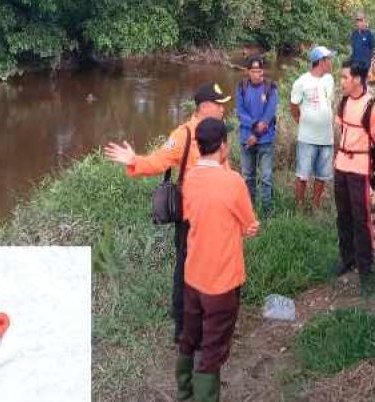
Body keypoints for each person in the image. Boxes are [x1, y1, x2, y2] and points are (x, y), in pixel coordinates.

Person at [103, 83, 230, 345]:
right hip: (190, 217)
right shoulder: (183, 135)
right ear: (205, 107)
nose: (223, 108)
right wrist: (135, 160)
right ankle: (183, 329)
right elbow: (158, 160)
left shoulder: (219, 132)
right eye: (219, 104)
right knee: (186, 270)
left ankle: (208, 319)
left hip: (215, 216)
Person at [177, 117, 259, 402]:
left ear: (199, 146)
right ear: (223, 146)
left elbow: (190, 216)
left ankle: (184, 393)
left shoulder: (190, 179)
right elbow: (249, 225)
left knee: (189, 338)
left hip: (192, 277)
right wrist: (247, 226)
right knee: (212, 350)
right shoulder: (233, 181)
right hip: (222, 281)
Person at [333, 60, 375, 290]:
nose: (342, 82)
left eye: (345, 77)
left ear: (357, 79)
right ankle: (347, 259)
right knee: (343, 215)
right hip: (341, 166)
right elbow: (340, 131)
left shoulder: (373, 107)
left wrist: (372, 170)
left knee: (361, 219)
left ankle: (366, 268)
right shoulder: (344, 102)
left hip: (360, 168)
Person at [291, 46, 336, 210]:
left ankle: (315, 205)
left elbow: (329, 102)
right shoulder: (301, 81)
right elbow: (294, 106)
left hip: (326, 137)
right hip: (307, 137)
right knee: (303, 174)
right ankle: (299, 205)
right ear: (322, 61)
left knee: (322, 175)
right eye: (329, 59)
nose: (331, 62)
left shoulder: (329, 79)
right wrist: (301, 121)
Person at [236, 56, 278, 214]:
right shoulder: (241, 87)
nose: (257, 74)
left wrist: (256, 134)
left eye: (260, 71)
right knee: (248, 176)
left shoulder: (271, 87)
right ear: (248, 72)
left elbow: (269, 115)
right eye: (254, 71)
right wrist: (254, 127)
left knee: (266, 177)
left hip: (265, 140)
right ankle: (249, 209)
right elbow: (240, 112)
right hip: (246, 139)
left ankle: (267, 210)